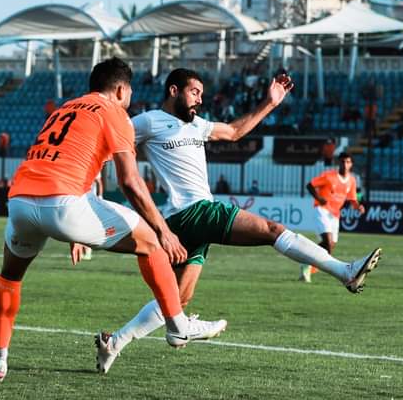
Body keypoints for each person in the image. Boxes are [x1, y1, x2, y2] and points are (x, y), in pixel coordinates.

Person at [89, 68, 382, 374]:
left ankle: (115, 342)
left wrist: (270, 103)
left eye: (202, 94)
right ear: (174, 90)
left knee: (178, 299)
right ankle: (345, 271)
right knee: (272, 230)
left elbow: (233, 132)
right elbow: (110, 144)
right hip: (190, 212)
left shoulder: (198, 125)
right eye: (194, 92)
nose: (199, 99)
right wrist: (89, 182)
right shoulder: (148, 121)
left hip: (190, 221)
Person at [0, 58, 227, 381]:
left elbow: (80, 169)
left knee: (10, 277)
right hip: (64, 204)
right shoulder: (116, 114)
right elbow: (130, 182)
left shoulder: (64, 109)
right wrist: (163, 230)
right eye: (130, 91)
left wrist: (79, 231)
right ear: (121, 89)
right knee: (151, 244)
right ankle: (178, 327)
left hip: (21, 201)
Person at [301, 152, 366, 283]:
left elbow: (352, 199)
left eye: (348, 162)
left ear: (351, 164)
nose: (345, 164)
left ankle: (308, 265)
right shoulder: (329, 176)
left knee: (329, 248)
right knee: (328, 242)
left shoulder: (352, 180)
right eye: (342, 161)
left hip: (335, 215)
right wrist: (319, 198)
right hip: (322, 210)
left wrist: (358, 206)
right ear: (338, 163)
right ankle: (309, 265)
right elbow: (310, 185)